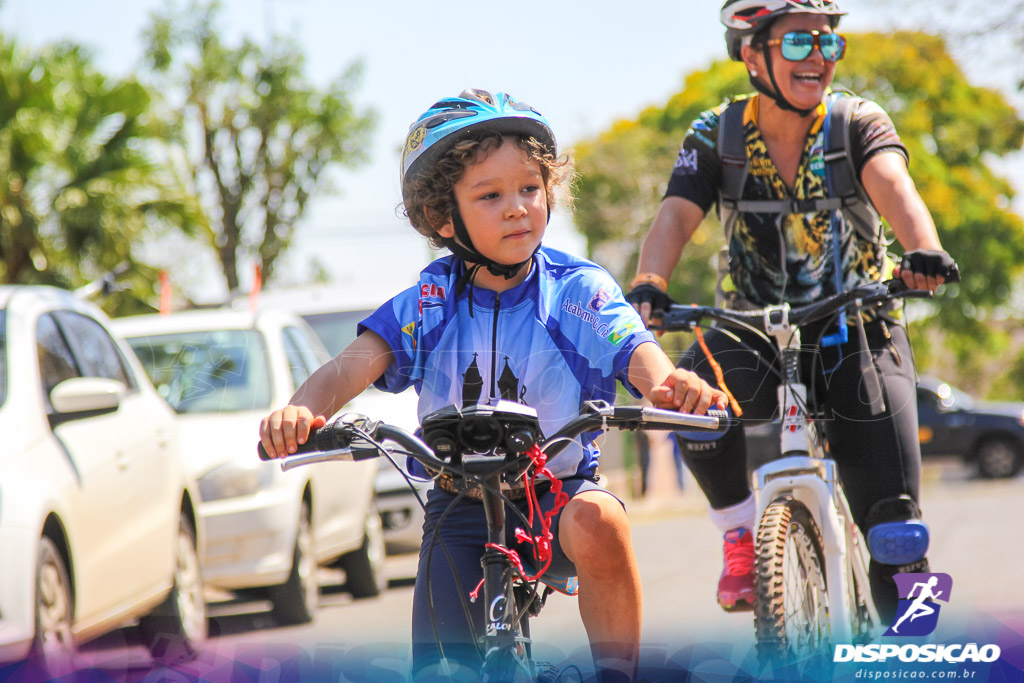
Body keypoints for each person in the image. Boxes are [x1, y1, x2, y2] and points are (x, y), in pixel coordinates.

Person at [259, 89, 727, 681]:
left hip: (557, 495)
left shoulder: (578, 290)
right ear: (441, 217)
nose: (517, 208)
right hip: (459, 502)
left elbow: (640, 355)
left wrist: (668, 386)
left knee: (601, 521)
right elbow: (349, 367)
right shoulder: (428, 301)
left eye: (530, 189)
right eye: (490, 195)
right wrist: (300, 411)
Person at [625, 0, 959, 623]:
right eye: (799, 45)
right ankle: (740, 536)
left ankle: (916, 637)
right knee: (688, 399)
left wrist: (923, 249)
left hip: (856, 322)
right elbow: (675, 213)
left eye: (828, 44)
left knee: (895, 538)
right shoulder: (716, 135)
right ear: (753, 55)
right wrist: (649, 283)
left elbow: (894, 184)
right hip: (752, 326)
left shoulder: (854, 122)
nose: (819, 58)